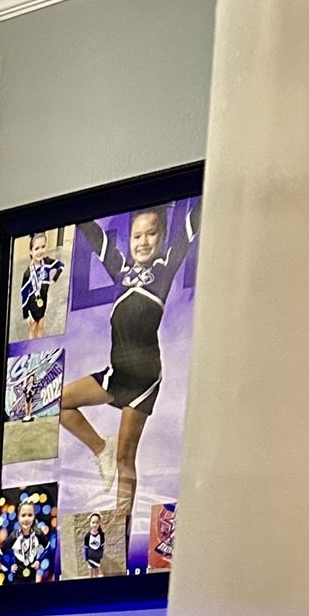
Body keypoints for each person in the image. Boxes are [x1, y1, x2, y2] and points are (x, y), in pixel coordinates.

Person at [59, 198, 200, 513]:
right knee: (60, 404)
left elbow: (189, 230)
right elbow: (98, 239)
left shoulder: (164, 269)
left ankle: (118, 535)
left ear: (161, 237)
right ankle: (99, 449)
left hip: (143, 378)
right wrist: (70, 206)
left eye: (151, 234)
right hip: (116, 373)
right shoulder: (121, 271)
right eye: (137, 236)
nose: (143, 241)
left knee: (126, 460)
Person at [16, 230, 65, 335]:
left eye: (43, 247)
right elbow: (24, 294)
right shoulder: (28, 274)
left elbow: (60, 266)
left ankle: (40, 348)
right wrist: (27, 314)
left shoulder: (47, 263)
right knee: (33, 327)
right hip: (33, 304)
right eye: (36, 248)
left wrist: (53, 280)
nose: (40, 251)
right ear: (31, 251)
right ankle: (32, 349)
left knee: (41, 325)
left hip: (43, 301)